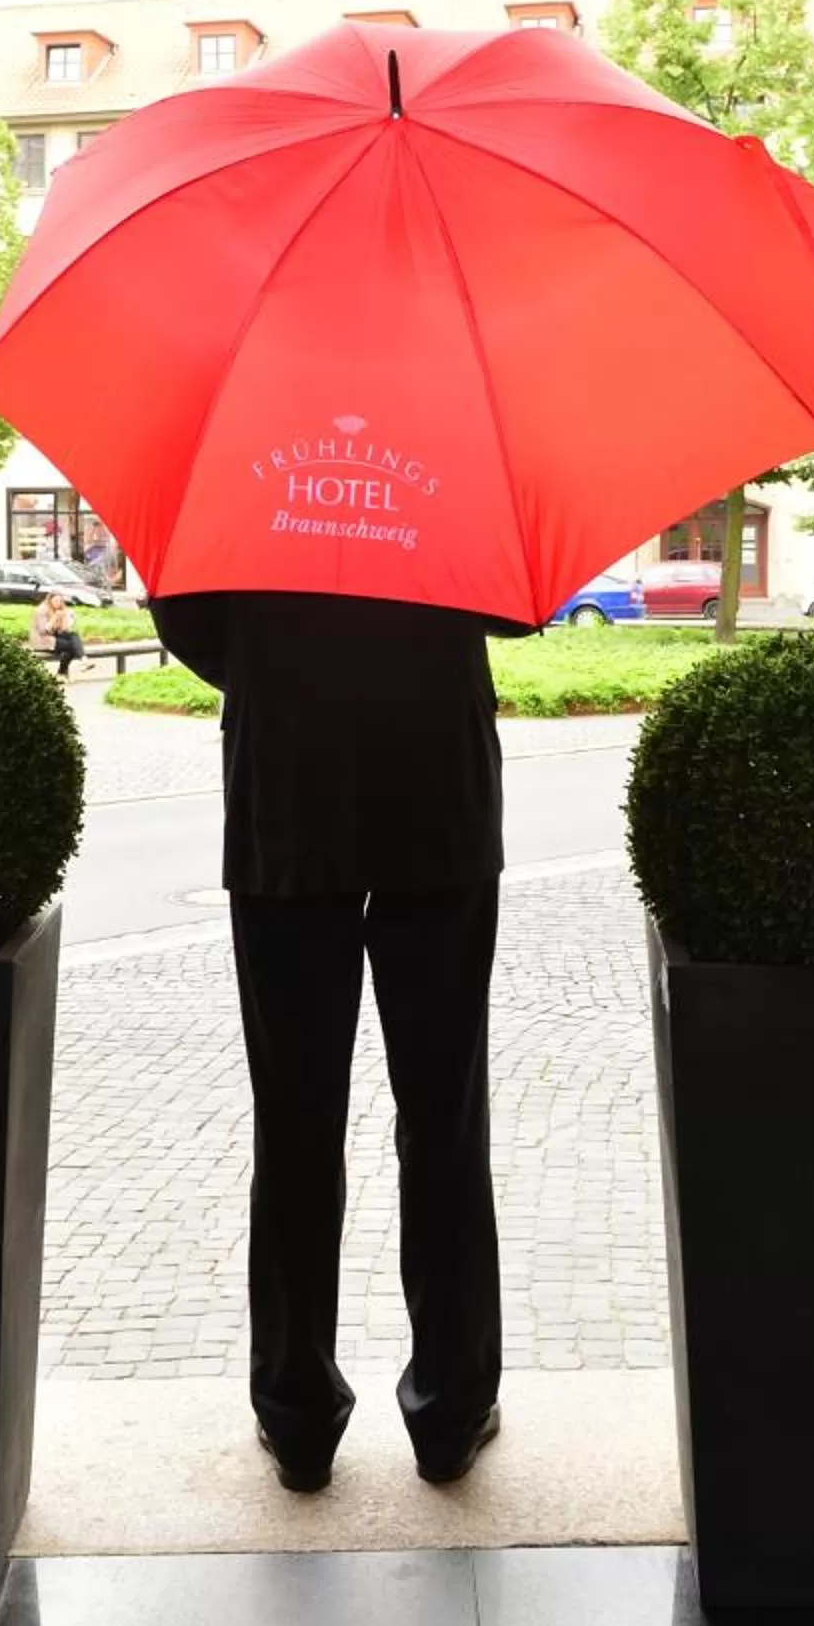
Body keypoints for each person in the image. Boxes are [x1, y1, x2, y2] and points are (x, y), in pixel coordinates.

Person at [147, 587, 534, 1493]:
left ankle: (296, 1415)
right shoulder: (454, 456)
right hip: (437, 789)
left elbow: (187, 617)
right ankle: (451, 1409)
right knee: (443, 1113)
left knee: (294, 1116)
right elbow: (514, 607)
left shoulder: (241, 459)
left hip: (286, 781)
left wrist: (284, 671)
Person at [33, 586, 86, 679]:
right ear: (50, 600)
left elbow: (64, 630)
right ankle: (63, 671)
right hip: (43, 640)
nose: (58, 603)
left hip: (55, 637)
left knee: (73, 636)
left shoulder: (60, 609)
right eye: (56, 601)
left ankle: (83, 661)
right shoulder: (42, 610)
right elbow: (43, 631)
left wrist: (69, 618)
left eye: (60, 601)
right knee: (72, 646)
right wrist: (55, 618)